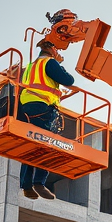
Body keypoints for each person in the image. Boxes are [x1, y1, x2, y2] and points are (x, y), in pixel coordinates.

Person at [17, 12, 78, 201]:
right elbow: (68, 79)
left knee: (32, 146)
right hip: (43, 107)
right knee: (49, 145)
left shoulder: (31, 65)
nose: (59, 53)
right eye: (57, 50)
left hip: (26, 107)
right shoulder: (49, 62)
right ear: (51, 50)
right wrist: (59, 64)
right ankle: (39, 183)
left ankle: (27, 185)